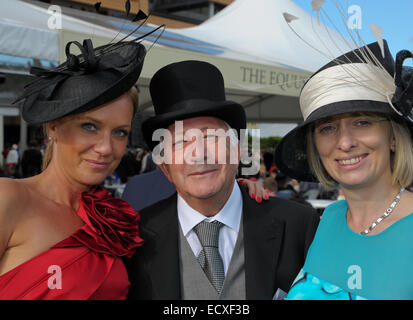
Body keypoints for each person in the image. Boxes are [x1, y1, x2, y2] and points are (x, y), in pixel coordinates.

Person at [125, 60, 319, 300]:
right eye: (180, 142)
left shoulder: (298, 226)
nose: (198, 154)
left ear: (237, 152)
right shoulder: (134, 239)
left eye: (210, 136)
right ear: (165, 168)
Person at [0, 34, 148, 299]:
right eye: (89, 126)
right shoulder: (7, 199)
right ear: (54, 127)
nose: (106, 148)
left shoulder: (113, 217)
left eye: (120, 133)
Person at [274, 40, 413, 300]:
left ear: (393, 136)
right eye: (327, 128)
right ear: (315, 145)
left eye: (362, 122)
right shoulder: (331, 217)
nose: (345, 142)